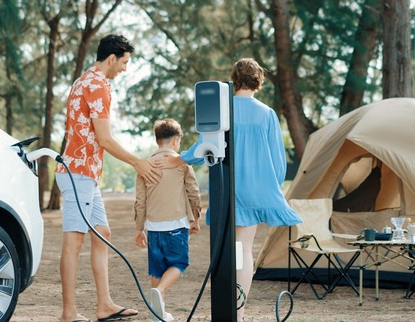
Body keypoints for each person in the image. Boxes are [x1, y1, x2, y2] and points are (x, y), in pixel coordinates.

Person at [154, 58, 301, 322]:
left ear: (234, 80)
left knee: (230, 251)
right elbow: (278, 162)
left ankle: (230, 310)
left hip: (228, 190)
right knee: (244, 250)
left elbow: (204, 148)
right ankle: (238, 313)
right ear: (258, 81)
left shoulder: (223, 111)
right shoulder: (267, 114)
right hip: (255, 189)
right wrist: (270, 187)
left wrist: (180, 158)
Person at [55, 34, 162, 322]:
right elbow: (104, 139)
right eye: (125, 62)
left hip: (85, 172)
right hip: (78, 173)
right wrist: (137, 162)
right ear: (112, 58)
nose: (126, 68)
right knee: (74, 240)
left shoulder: (84, 80)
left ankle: (105, 305)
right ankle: (68, 314)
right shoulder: (98, 86)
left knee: (102, 234)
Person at [133, 118, 202, 322]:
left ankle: (158, 313)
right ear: (175, 141)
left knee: (157, 268)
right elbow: (193, 193)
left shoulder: (144, 166)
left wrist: (139, 229)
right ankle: (161, 290)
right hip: (176, 226)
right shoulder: (182, 164)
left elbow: (140, 201)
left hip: (153, 228)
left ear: (157, 141)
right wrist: (196, 218)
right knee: (179, 263)